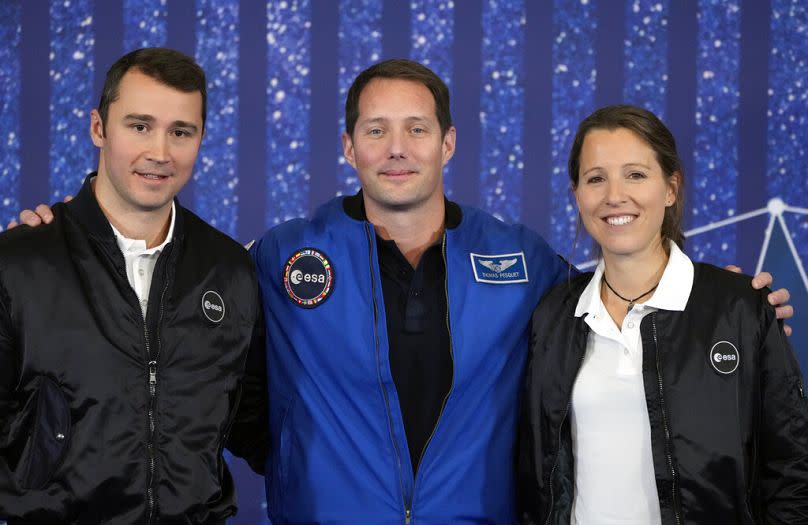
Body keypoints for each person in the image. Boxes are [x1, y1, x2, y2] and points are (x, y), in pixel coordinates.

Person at [11, 60, 793, 524]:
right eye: (376, 130)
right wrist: (62, 232)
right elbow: (203, 359)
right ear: (346, 145)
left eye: (417, 128)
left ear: (448, 142)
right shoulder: (276, 257)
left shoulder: (522, 259)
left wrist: (706, 291)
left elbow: (617, 296)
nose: (396, 149)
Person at [0, 48, 265, 524]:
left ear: (201, 138)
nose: (159, 153)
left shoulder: (230, 270)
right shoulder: (18, 264)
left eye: (180, 132)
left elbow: (257, 426)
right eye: (139, 126)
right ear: (99, 128)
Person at [518, 105, 808, 524]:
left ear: (671, 188)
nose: (614, 195)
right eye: (595, 178)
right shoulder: (554, 317)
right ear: (578, 195)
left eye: (635, 174)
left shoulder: (740, 308)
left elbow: (793, 474)